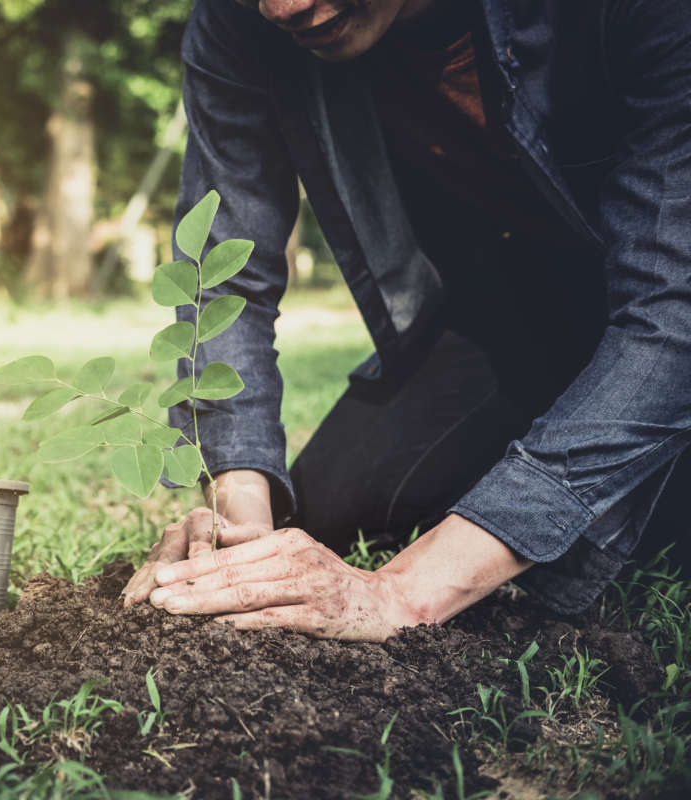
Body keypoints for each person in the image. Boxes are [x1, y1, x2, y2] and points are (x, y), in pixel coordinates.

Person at [121, 0, 691, 640]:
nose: (282, 6)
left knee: (633, 534)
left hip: (650, 316)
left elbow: (672, 313)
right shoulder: (239, 23)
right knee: (335, 507)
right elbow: (228, 276)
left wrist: (402, 592)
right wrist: (239, 524)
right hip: (510, 315)